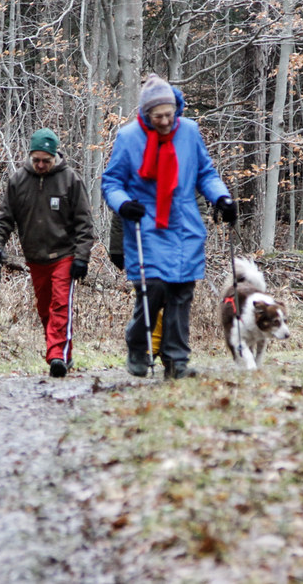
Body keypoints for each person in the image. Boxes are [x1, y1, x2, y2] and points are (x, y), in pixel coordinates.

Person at [102, 74, 237, 379]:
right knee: (153, 289)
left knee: (181, 293)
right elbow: (111, 183)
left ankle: (177, 362)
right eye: (158, 116)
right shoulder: (128, 137)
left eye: (169, 114)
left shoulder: (189, 131)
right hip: (146, 225)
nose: (165, 121)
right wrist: (124, 204)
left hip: (184, 225)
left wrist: (222, 198)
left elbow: (205, 173)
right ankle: (138, 344)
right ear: (145, 114)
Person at [0, 128, 95, 378]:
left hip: (65, 254)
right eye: (36, 160)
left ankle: (56, 355)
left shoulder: (71, 180)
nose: (41, 165)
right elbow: (4, 218)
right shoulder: (18, 180)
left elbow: (84, 223)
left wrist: (82, 257)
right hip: (35, 257)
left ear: (55, 156)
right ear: (30, 156)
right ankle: (63, 353)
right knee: (46, 309)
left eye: (46, 160)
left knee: (60, 304)